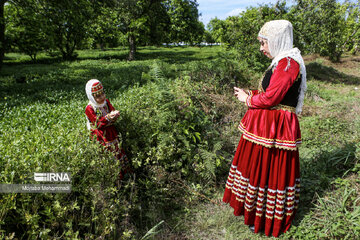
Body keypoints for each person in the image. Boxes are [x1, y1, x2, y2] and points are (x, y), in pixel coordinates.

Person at [222, 20, 306, 237]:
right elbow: (270, 92)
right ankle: (254, 212)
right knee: (259, 168)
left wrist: (247, 100)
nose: (261, 48)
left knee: (269, 170)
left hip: (275, 127)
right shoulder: (282, 61)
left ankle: (265, 219)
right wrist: (250, 93)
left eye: (264, 43)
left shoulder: (289, 63)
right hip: (267, 124)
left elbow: (272, 98)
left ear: (277, 40)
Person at [85, 79, 128, 177]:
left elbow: (112, 110)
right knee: (108, 155)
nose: (102, 97)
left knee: (117, 151)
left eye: (103, 93)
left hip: (111, 132)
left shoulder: (106, 102)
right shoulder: (90, 108)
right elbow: (98, 123)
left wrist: (114, 115)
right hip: (101, 136)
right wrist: (108, 117)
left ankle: (124, 175)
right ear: (92, 97)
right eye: (98, 96)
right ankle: (114, 178)